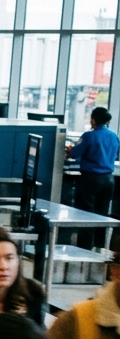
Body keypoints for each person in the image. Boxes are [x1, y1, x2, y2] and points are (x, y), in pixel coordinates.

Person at [68, 106, 120, 248]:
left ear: (93, 120)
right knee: (101, 216)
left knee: (85, 215)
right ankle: (99, 248)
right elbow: (116, 156)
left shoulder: (89, 136)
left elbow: (74, 153)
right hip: (109, 181)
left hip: (90, 180)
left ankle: (84, 248)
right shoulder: (114, 136)